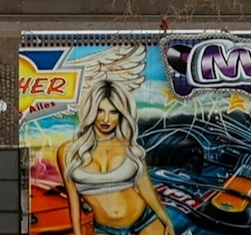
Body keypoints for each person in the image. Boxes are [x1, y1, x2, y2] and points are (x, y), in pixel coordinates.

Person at [58, 80, 174, 235]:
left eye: (113, 112)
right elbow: (73, 200)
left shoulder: (129, 147)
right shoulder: (68, 152)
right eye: (100, 110)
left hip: (146, 221)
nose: (106, 119)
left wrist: (166, 219)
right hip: (105, 229)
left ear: (121, 114)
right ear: (91, 111)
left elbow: (145, 187)